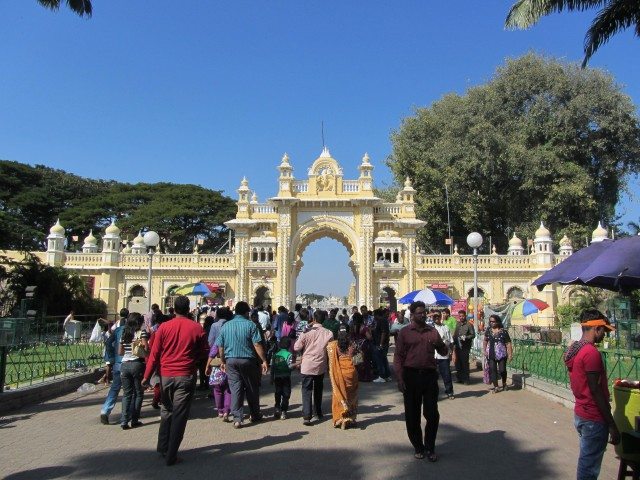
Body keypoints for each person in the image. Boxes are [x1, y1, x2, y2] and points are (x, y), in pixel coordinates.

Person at [142, 295, 207, 466]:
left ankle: (162, 447)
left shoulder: (163, 328)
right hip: (185, 375)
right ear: (188, 309)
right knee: (179, 415)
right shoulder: (196, 328)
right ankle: (171, 454)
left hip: (166, 376)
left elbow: (154, 354)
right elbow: (203, 352)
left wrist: (146, 376)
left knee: (166, 411)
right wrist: (194, 360)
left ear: (174, 309)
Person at [565, 309, 620, 480]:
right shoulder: (590, 353)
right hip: (593, 418)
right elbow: (595, 391)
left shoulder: (575, 349)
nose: (605, 335)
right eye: (604, 330)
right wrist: (611, 424)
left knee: (586, 460)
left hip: (581, 413)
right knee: (589, 468)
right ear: (596, 329)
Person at [394, 301, 448, 461]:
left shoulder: (432, 332)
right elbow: (398, 356)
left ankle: (430, 447)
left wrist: (442, 346)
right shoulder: (405, 333)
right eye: (420, 312)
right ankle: (418, 446)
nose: (423, 315)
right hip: (411, 376)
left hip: (429, 376)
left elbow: (443, 350)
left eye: (424, 312)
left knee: (432, 414)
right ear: (412, 315)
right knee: (412, 415)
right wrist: (399, 377)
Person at [215, 301, 268, 429]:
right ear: (246, 313)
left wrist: (223, 361)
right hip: (248, 360)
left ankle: (238, 419)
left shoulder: (226, 326)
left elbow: (220, 347)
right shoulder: (251, 325)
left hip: (231, 360)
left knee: (235, 389)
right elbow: (257, 344)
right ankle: (254, 414)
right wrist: (263, 360)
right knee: (251, 388)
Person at [294, 309, 334, 426]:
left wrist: (304, 332)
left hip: (307, 365)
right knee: (318, 389)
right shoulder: (329, 333)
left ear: (314, 319)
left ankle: (307, 415)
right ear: (324, 319)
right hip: (320, 365)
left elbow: (296, 347)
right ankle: (318, 412)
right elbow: (330, 349)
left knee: (306, 390)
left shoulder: (306, 332)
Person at [119, 312, 149, 429]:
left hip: (124, 364)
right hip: (137, 363)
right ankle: (134, 419)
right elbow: (145, 349)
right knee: (138, 393)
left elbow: (120, 352)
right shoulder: (142, 332)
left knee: (127, 394)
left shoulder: (124, 333)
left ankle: (124, 421)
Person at [99, 308, 129, 425]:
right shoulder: (133, 331)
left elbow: (108, 343)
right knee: (128, 391)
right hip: (128, 363)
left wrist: (111, 357)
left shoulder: (117, 331)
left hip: (117, 363)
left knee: (114, 388)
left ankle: (105, 410)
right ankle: (126, 416)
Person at [327, 324, 359, 429]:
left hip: (340, 372)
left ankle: (341, 419)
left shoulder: (334, 346)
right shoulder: (351, 344)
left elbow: (329, 354)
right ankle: (350, 419)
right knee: (351, 395)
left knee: (339, 395)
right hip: (351, 372)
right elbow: (353, 357)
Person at [482, 315, 513, 393]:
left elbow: (508, 343)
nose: (492, 323)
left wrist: (510, 354)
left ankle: (504, 383)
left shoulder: (503, 331)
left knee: (502, 370)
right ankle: (496, 386)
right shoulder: (488, 330)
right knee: (493, 370)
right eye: (490, 321)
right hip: (491, 353)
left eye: (493, 321)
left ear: (498, 321)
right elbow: (485, 340)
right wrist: (484, 350)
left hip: (501, 354)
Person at [270, 337, 296, 419]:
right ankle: (284, 411)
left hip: (277, 377)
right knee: (286, 394)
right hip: (286, 378)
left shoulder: (275, 355)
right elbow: (290, 366)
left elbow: (272, 367)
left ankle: (277, 408)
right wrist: (297, 364)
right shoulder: (289, 355)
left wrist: (271, 378)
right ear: (289, 345)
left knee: (277, 393)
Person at [433, 312, 455, 399]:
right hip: (433, 355)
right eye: (435, 317)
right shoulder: (430, 329)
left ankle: (449, 391)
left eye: (438, 316)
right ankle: (433, 393)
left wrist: (452, 352)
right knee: (433, 376)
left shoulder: (445, 327)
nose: (437, 318)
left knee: (446, 374)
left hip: (444, 354)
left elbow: (451, 341)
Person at [350, 312, 374, 382]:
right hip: (364, 346)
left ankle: (359, 376)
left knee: (357, 362)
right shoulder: (364, 328)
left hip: (356, 346)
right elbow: (369, 337)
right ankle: (366, 377)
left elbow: (350, 338)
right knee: (366, 362)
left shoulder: (352, 327)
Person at [453, 310, 475, 384]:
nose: (461, 317)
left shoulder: (469, 325)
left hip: (465, 347)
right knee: (458, 363)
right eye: (460, 316)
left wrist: (466, 337)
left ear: (465, 316)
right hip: (458, 346)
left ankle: (466, 379)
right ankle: (459, 378)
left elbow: (473, 335)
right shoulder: (458, 324)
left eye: (462, 316)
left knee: (464, 363)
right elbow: (455, 334)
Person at [372, 308, 391, 383]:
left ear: (377, 315)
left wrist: (380, 343)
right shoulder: (384, 320)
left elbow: (383, 333)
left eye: (374, 315)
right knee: (384, 359)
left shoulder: (381, 321)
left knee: (380, 360)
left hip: (380, 344)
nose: (373, 317)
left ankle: (382, 376)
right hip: (384, 343)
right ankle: (387, 375)